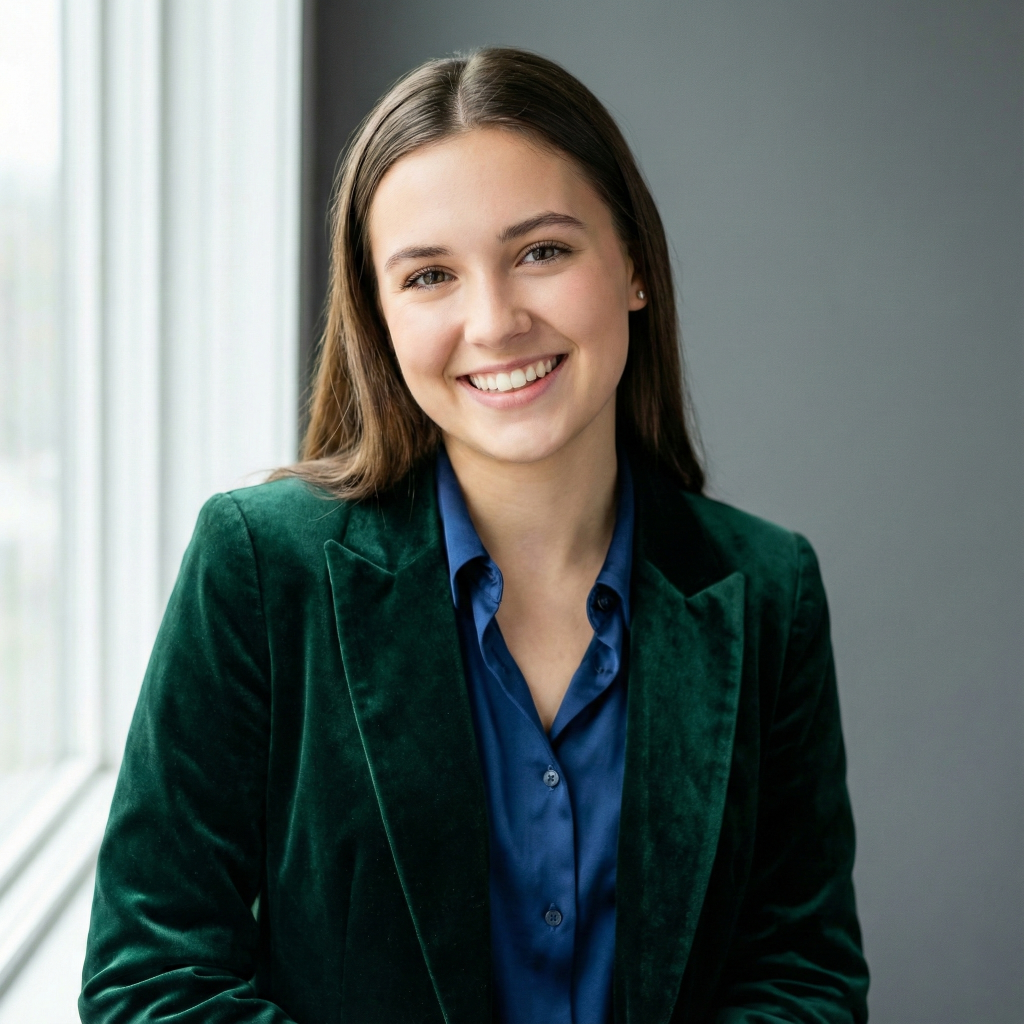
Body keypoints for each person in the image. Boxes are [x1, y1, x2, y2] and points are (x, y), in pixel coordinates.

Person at [80, 47, 868, 1024]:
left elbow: (804, 976)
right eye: (429, 276)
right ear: (377, 316)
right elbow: (150, 978)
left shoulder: (765, 586)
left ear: (631, 265)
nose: (493, 321)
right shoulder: (257, 566)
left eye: (541, 251)